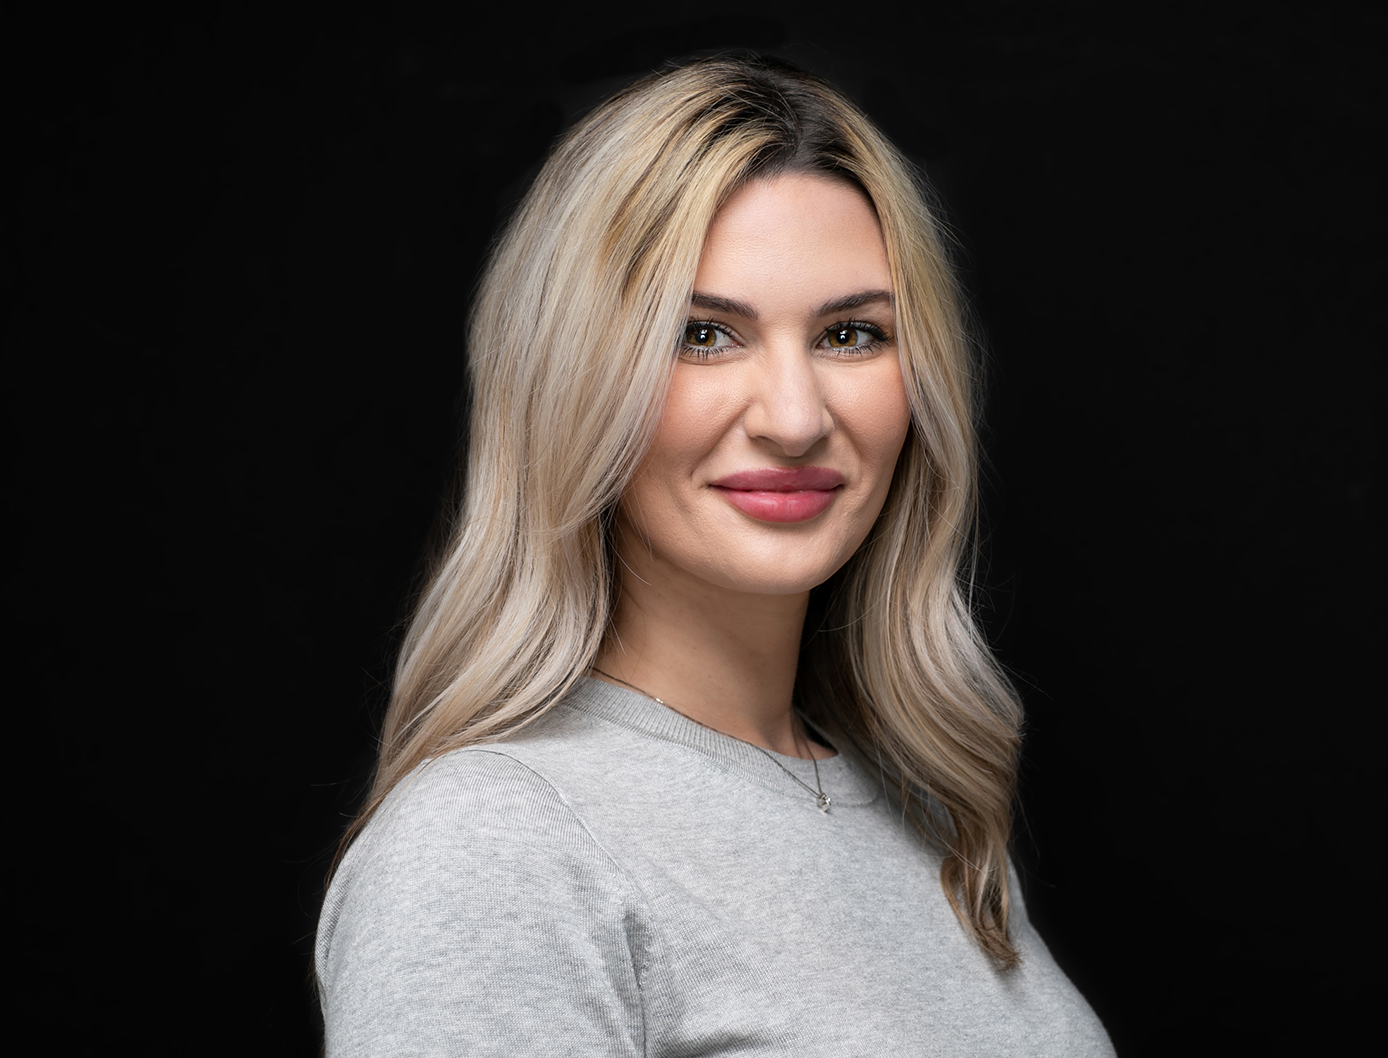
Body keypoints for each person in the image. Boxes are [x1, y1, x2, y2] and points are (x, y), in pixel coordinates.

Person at [315, 55, 1114, 1056]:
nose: (794, 418)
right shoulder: (497, 842)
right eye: (701, 334)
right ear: (570, 379)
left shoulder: (923, 815)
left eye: (850, 334)